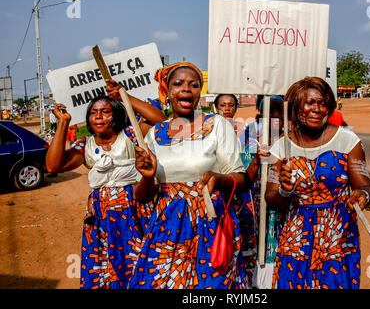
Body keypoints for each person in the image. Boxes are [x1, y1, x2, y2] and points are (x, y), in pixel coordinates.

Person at [127, 62, 248, 289]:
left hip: (210, 225)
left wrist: (220, 179)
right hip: (167, 229)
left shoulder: (217, 125)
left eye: (193, 85)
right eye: (178, 84)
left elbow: (241, 179)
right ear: (167, 92)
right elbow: (142, 197)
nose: (186, 89)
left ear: (199, 94)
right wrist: (146, 177)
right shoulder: (153, 135)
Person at [265, 77, 370, 289]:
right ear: (296, 106)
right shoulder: (280, 148)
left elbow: (365, 185)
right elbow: (270, 198)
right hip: (296, 237)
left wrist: (363, 195)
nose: (317, 109)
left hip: (338, 236)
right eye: (309, 103)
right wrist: (284, 190)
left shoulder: (348, 141)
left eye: (323, 103)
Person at [45, 95, 165, 289]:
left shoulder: (131, 134)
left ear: (116, 114)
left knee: (140, 264)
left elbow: (161, 123)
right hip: (101, 220)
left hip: (136, 213)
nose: (98, 117)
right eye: (93, 113)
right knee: (104, 266)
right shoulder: (86, 145)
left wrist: (125, 97)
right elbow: (53, 165)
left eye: (105, 112)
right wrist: (63, 123)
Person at [238, 95, 285, 288]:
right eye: (269, 111)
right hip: (255, 206)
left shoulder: (293, 140)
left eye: (279, 111)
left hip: (282, 207)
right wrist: (257, 160)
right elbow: (243, 178)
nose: (274, 116)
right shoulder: (250, 140)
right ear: (259, 114)